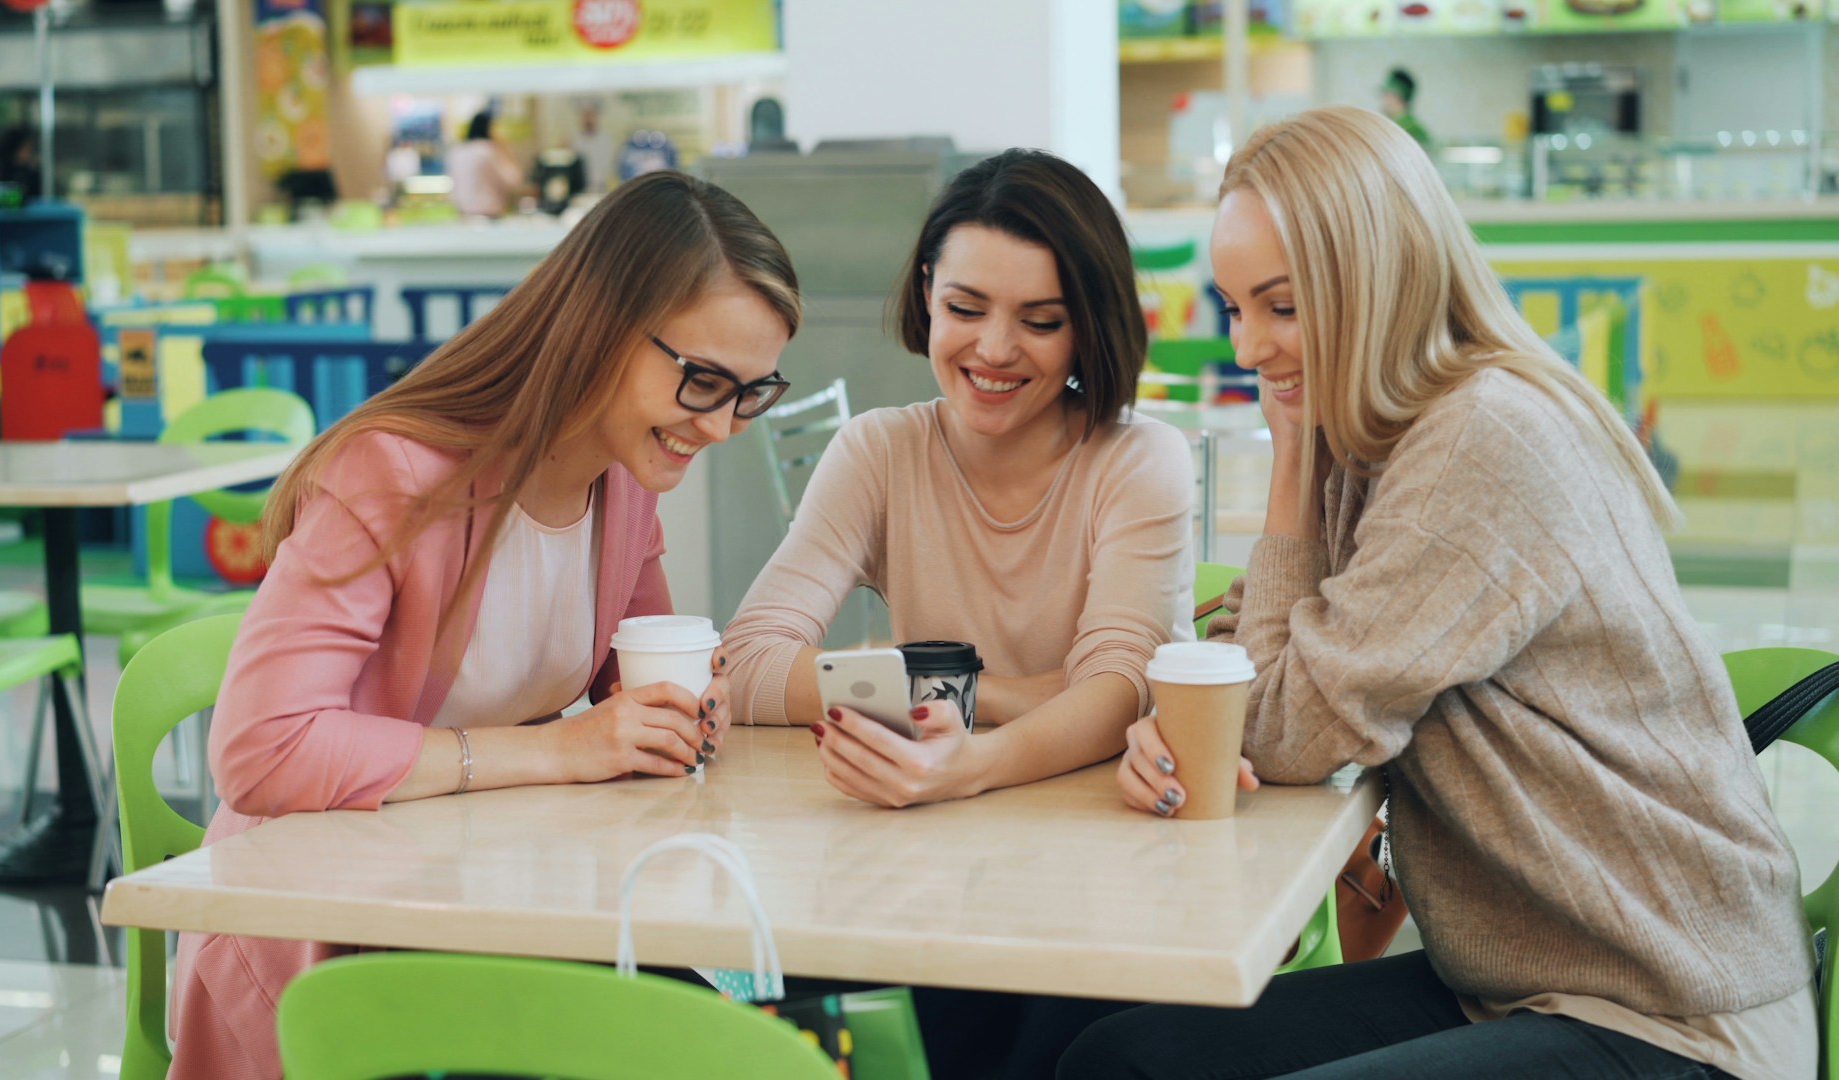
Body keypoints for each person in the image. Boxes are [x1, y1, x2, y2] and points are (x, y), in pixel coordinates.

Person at [1062, 105, 1815, 1080]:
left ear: (1377, 280)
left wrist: (1289, 457)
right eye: (1235, 307)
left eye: (1282, 307)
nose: (1248, 349)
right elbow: (1254, 645)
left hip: (1669, 1010)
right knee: (1123, 1060)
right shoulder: (1385, 434)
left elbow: (1283, 729)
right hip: (1512, 974)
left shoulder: (1481, 441)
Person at [166, 171, 802, 1079]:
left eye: (751, 392)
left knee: (741, 1038)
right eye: (702, 380)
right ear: (603, 323)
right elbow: (262, 752)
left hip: (502, 902)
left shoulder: (622, 482)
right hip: (336, 937)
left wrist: (681, 712)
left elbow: (628, 686)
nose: (724, 426)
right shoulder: (392, 474)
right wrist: (557, 749)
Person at [723, 148, 1198, 1077]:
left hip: (1107, 880)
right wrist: (1009, 695)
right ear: (928, 297)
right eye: (965, 309)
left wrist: (961, 750)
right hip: (922, 872)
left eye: (1041, 321)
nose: (991, 350)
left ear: (1089, 327)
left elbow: (1116, 691)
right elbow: (743, 666)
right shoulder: (878, 453)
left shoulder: (1138, 461)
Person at [446, 110, 525, 217]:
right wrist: (506, 151)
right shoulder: (488, 150)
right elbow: (513, 181)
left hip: (463, 212)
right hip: (488, 213)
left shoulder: (457, 151)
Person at [1379, 67, 1432, 148]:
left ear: (1395, 96)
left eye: (1386, 92)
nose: (1383, 97)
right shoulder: (1399, 126)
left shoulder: (1407, 131)